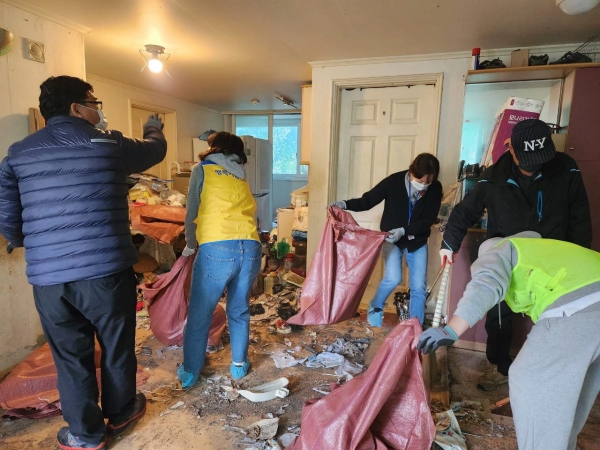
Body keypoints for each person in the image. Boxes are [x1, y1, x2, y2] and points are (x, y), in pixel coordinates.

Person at [0, 76, 167, 449]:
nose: (98, 111)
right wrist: (153, 127)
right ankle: (121, 412)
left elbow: (8, 216)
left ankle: (86, 435)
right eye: (95, 103)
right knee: (116, 346)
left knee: (70, 358)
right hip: (106, 272)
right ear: (77, 108)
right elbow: (154, 150)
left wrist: (35, 244)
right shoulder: (107, 143)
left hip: (49, 280)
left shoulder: (17, 154)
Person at [439, 118, 591, 391]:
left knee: (555, 317)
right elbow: (464, 212)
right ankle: (499, 366)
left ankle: (550, 374)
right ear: (511, 149)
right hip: (508, 259)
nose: (534, 168)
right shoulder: (493, 177)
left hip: (552, 259)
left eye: (540, 161)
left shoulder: (566, 169)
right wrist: (448, 244)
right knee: (499, 314)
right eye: (527, 163)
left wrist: (579, 258)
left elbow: (580, 217)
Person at [419, 231, 600, 450]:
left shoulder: (499, 251)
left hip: (580, 304)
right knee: (577, 384)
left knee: (529, 379)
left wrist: (451, 330)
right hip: (591, 303)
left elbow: (485, 285)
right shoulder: (541, 252)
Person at [177, 131, 262, 388]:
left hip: (217, 246)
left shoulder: (202, 169)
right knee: (239, 309)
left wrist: (190, 245)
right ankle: (239, 365)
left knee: (200, 312)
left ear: (215, 148)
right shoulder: (240, 174)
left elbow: (192, 210)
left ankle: (191, 371)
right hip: (251, 246)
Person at [330, 153, 442, 327]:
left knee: (419, 287)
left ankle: (414, 328)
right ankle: (375, 305)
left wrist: (404, 230)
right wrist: (345, 204)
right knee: (393, 277)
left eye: (428, 182)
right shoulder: (394, 182)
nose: (424, 185)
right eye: (421, 181)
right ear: (412, 173)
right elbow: (367, 201)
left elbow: (428, 220)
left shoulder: (435, 188)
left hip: (417, 240)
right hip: (392, 239)